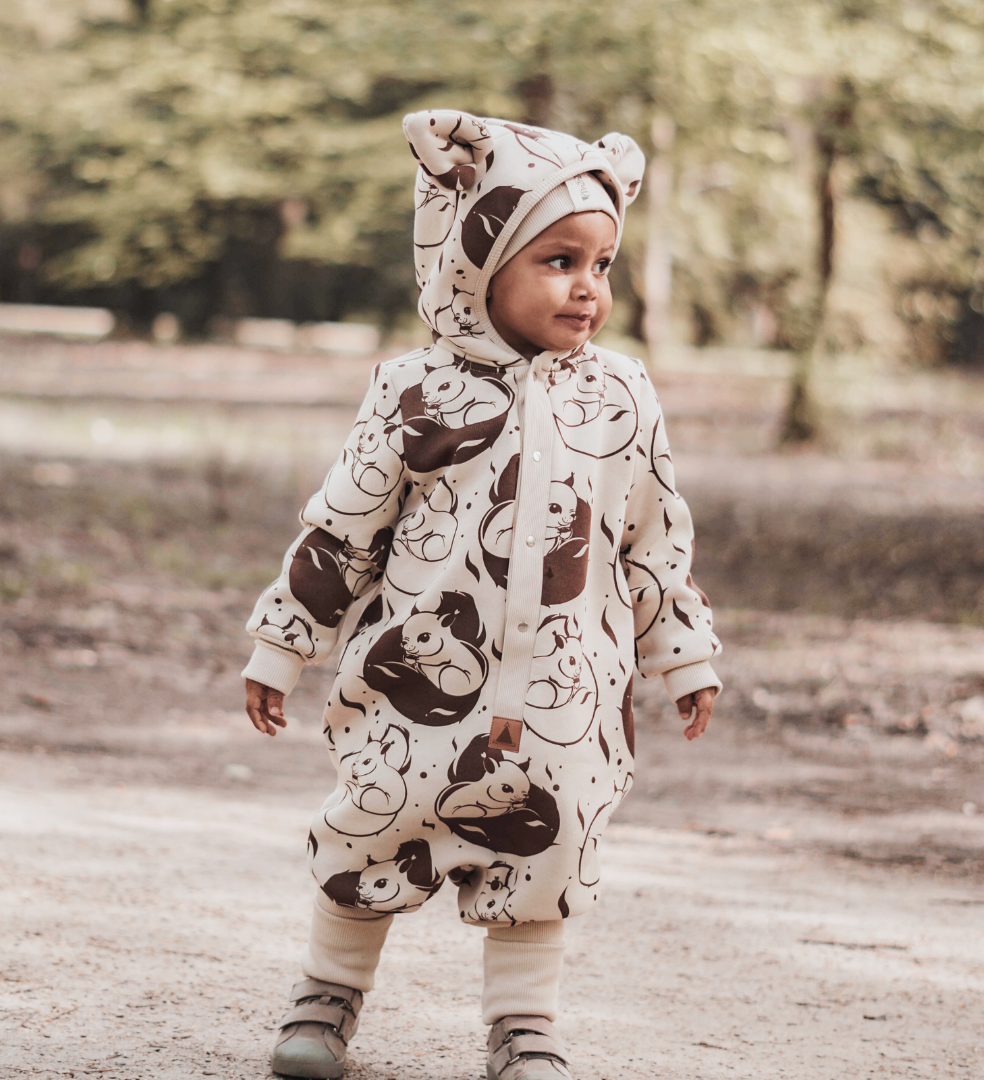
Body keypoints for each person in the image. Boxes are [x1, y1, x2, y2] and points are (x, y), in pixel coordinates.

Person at [242, 109, 721, 1080]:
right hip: (408, 679)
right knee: (371, 822)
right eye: (557, 260)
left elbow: (653, 538)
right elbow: (345, 526)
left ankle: (524, 1029)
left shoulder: (622, 395)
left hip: (567, 695)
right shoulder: (416, 389)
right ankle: (326, 999)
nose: (588, 286)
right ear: (477, 260)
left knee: (548, 853)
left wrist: (684, 652)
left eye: (602, 264)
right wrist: (283, 642)